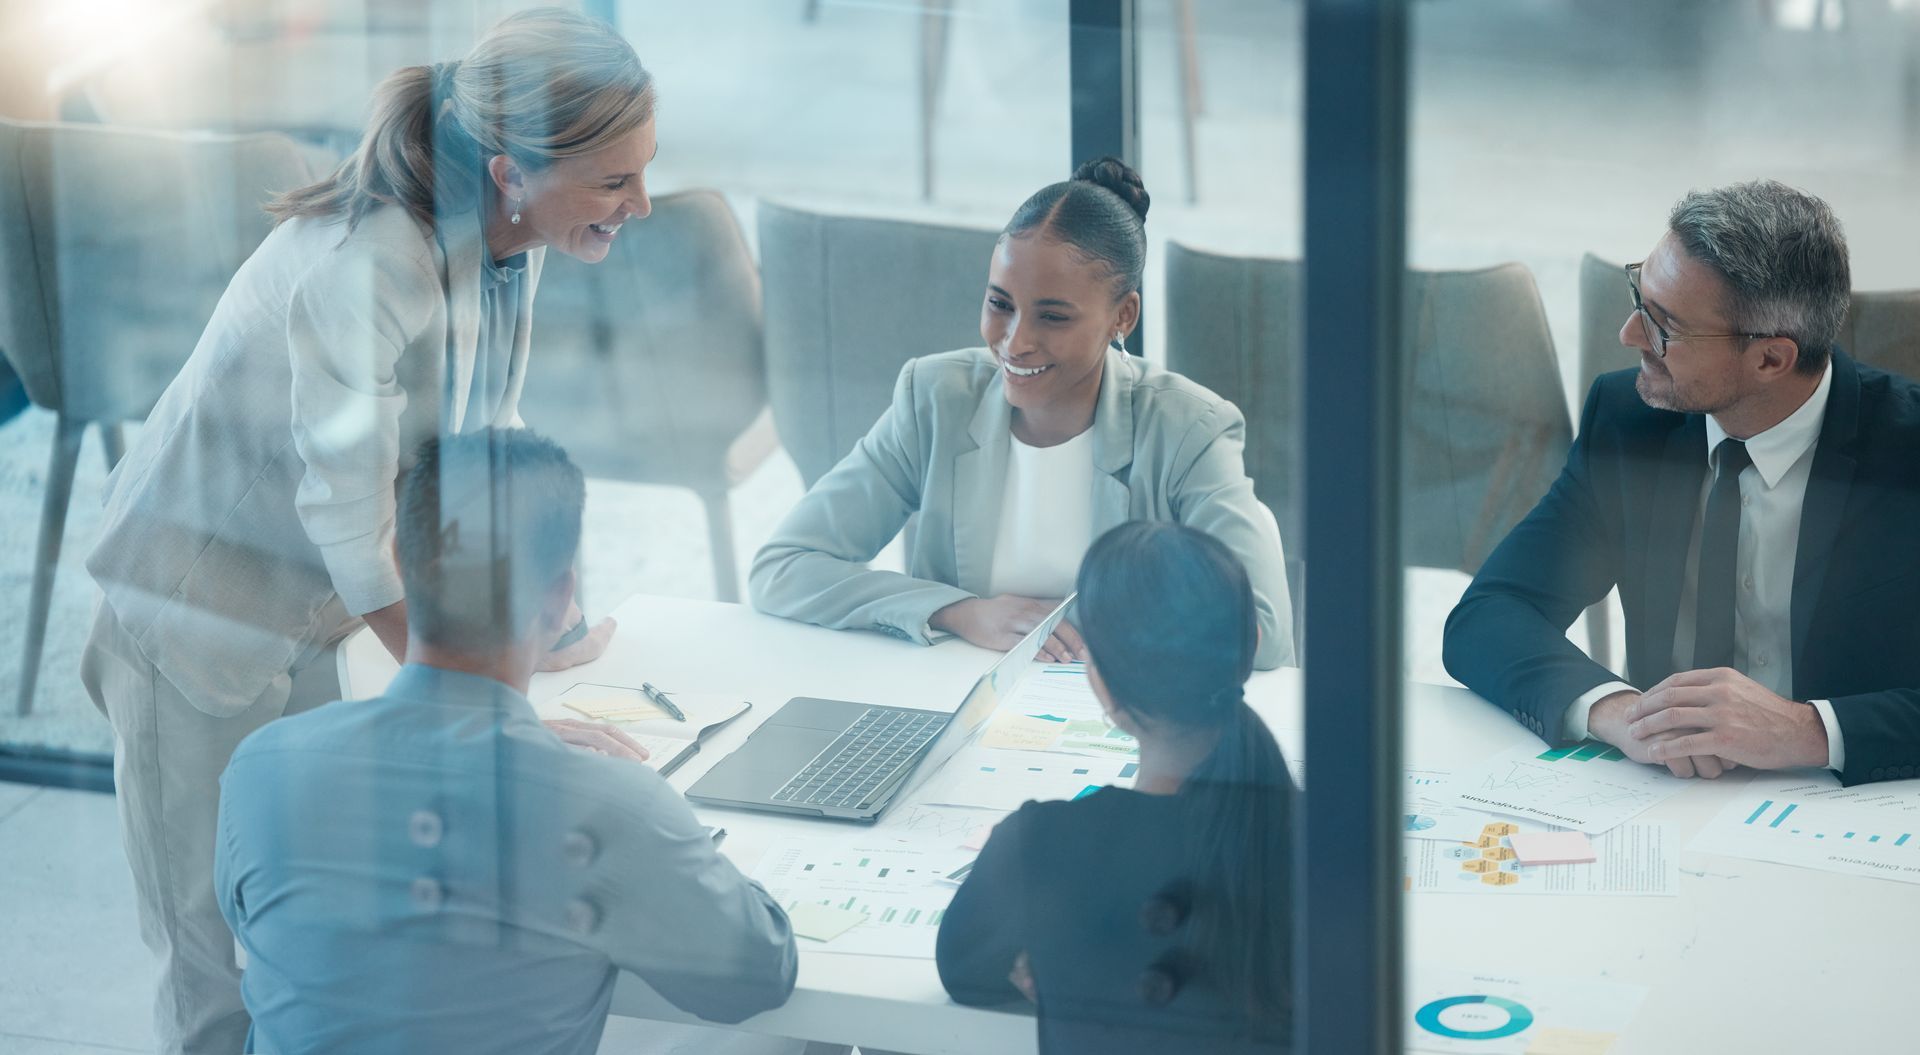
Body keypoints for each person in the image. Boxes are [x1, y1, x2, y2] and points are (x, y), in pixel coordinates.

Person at [79, 10, 658, 1051]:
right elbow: (348, 519)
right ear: (511, 168)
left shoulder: (504, 244)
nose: (641, 203)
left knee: (313, 940)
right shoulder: (370, 263)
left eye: (643, 172)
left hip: (315, 616)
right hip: (191, 619)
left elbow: (483, 449)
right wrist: (483, 701)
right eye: (616, 179)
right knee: (214, 960)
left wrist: (531, 615)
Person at [215, 429, 798, 1054]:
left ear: (400, 565)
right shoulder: (609, 809)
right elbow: (755, 980)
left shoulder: (262, 767)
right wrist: (670, 836)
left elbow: (269, 935)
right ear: (558, 599)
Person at [1444, 180, 1920, 787]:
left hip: (1856, 812)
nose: (1629, 335)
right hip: (1665, 799)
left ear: (1771, 359)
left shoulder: (1907, 450)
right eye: (1637, 297)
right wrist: (1622, 713)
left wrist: (1808, 730)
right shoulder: (1629, 422)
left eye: (1664, 325)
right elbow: (1491, 614)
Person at [748, 157, 1293, 670]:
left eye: (1053, 317)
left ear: (1122, 316)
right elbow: (785, 567)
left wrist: (1071, 628)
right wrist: (960, 612)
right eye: (1000, 304)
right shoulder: (935, 399)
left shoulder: (1187, 430)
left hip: (1121, 717)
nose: (1015, 342)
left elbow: (1262, 630)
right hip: (964, 707)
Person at [936, 520, 1292, 1053]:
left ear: (1100, 680)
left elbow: (963, 973)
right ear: (1253, 642)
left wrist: (1054, 955)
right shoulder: (1328, 838)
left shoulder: (1042, 843)